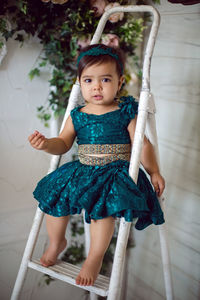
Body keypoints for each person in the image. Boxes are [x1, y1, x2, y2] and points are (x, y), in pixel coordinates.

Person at [28, 44, 165, 287]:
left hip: (114, 174)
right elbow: (63, 143)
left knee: (103, 211)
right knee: (54, 198)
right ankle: (56, 241)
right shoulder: (77, 114)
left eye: (105, 79)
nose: (97, 87)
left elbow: (142, 145)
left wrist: (154, 171)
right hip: (83, 169)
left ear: (120, 81)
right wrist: (46, 144)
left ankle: (94, 257)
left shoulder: (125, 112)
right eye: (89, 80)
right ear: (79, 82)